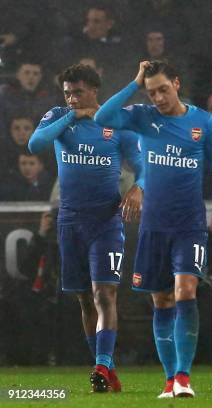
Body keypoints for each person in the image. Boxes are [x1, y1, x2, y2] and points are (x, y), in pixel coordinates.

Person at [94, 60, 212, 398]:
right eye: (152, 93)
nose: (159, 98)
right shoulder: (143, 117)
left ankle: (183, 376)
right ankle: (168, 380)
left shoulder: (202, 123)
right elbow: (103, 117)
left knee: (185, 292)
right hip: (153, 227)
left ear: (176, 83)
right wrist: (134, 84)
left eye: (164, 89)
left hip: (189, 224)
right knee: (161, 301)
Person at [28, 64, 144, 392]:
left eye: (78, 92)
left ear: (94, 91)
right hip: (69, 221)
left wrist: (138, 187)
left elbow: (143, 165)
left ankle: (103, 367)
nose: (72, 98)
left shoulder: (115, 125)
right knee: (83, 300)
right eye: (67, 92)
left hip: (106, 221)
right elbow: (35, 145)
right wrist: (70, 116)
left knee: (103, 293)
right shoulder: (57, 118)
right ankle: (105, 369)